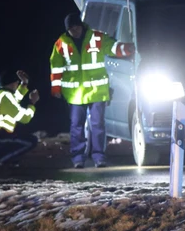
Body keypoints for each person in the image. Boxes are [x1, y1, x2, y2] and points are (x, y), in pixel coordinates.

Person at [50, 13, 133, 168]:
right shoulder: (61, 44)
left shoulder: (97, 38)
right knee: (76, 126)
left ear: (81, 25)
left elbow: (112, 47)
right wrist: (55, 87)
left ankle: (99, 157)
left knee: (98, 125)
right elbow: (56, 66)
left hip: (96, 91)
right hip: (75, 94)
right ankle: (78, 158)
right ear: (67, 29)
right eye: (71, 28)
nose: (74, 30)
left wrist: (126, 49)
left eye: (75, 27)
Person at [0, 70, 40, 168]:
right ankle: (0, 160)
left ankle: (3, 158)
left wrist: (24, 84)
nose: (17, 84)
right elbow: (25, 118)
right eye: (17, 82)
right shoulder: (6, 97)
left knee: (18, 137)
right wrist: (32, 103)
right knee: (31, 141)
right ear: (12, 83)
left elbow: (14, 99)